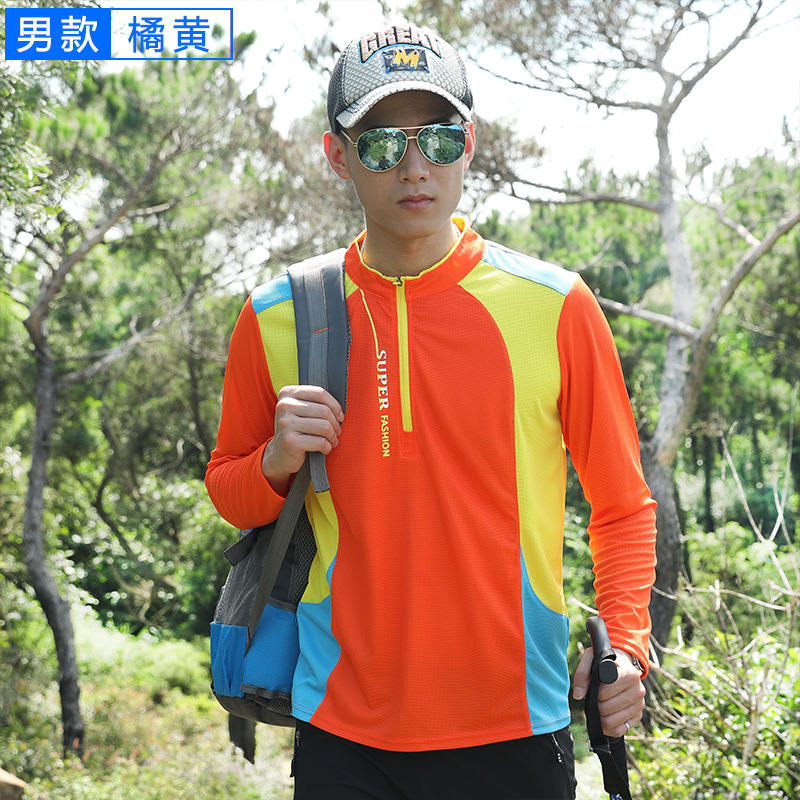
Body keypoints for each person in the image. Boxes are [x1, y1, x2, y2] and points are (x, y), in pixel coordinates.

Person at [206, 21, 657, 800]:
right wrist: (276, 462)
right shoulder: (277, 315)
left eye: (439, 140)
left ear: (469, 144)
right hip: (343, 732)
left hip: (517, 723)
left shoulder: (554, 305)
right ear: (337, 155)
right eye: (382, 144)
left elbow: (622, 504)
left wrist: (627, 644)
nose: (415, 168)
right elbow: (229, 492)